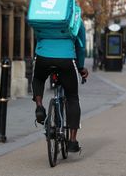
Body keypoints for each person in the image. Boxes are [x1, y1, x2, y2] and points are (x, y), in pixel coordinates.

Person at [31, 20, 88, 153]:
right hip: (66, 59)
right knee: (72, 97)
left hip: (43, 56)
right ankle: (72, 142)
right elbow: (81, 46)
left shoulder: (45, 14)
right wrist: (80, 67)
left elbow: (38, 34)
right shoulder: (75, 16)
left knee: (38, 78)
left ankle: (39, 106)